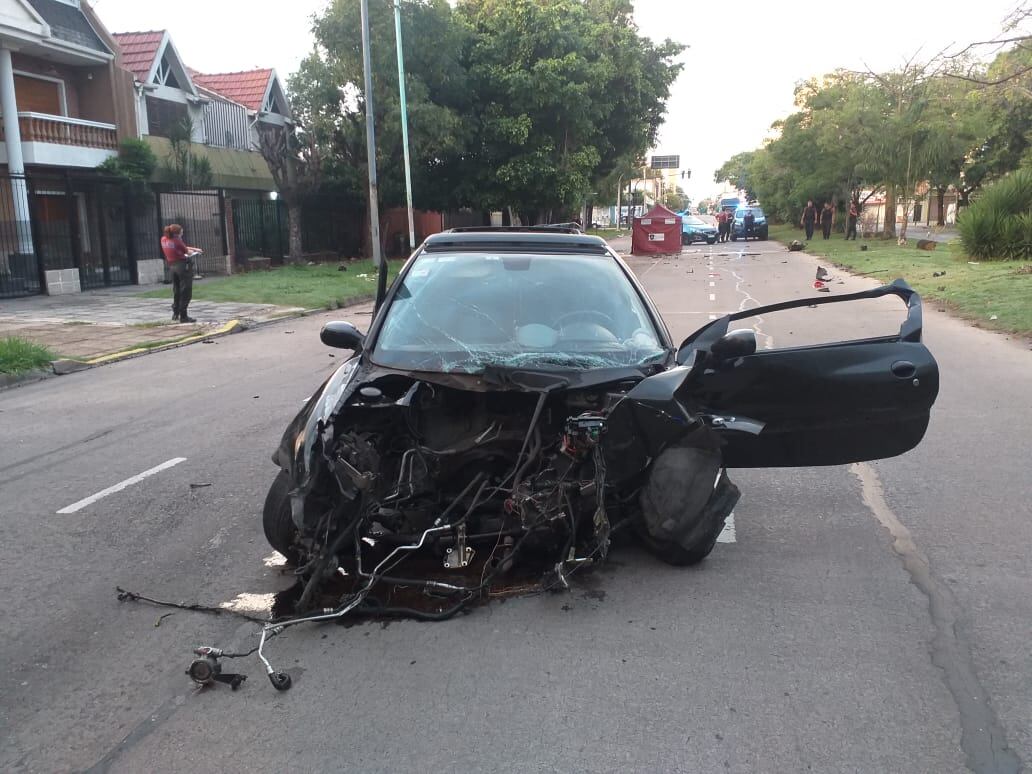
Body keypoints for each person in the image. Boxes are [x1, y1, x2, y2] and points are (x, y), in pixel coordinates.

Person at [160, 224, 200, 323]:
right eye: (181, 231)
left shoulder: (164, 239)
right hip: (182, 267)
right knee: (185, 291)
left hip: (172, 267)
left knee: (176, 290)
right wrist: (195, 251)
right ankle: (184, 316)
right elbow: (187, 252)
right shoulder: (177, 240)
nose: (183, 233)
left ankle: (175, 313)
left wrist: (194, 249)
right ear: (177, 233)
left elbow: (181, 247)